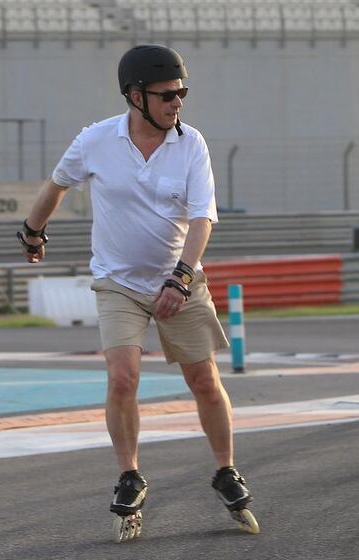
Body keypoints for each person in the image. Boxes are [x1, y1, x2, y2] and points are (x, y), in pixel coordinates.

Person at [17, 44, 254, 533]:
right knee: (122, 377)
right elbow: (57, 184)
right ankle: (129, 475)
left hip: (178, 278)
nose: (178, 102)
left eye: (182, 93)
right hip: (118, 282)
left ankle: (225, 469)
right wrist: (33, 231)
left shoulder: (192, 144)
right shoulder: (96, 140)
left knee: (204, 380)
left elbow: (202, 218)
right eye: (167, 94)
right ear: (135, 96)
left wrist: (182, 277)